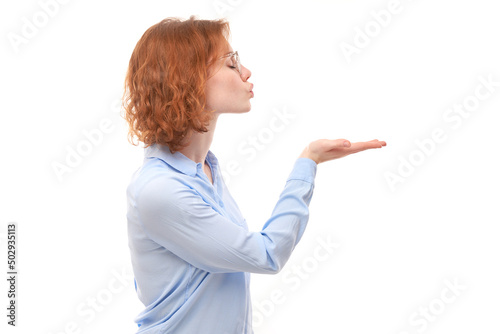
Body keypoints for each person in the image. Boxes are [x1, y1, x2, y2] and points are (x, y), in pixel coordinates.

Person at [122, 16, 386, 334]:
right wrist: (308, 162)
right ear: (188, 79)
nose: (246, 72)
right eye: (231, 64)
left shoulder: (206, 170)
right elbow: (266, 254)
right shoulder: (160, 190)